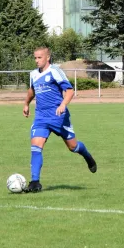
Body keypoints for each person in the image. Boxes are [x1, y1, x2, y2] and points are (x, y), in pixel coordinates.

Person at [23, 46, 97, 193]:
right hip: (41, 117)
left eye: (40, 57)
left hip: (58, 116)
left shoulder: (55, 72)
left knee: (73, 147)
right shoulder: (33, 74)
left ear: (47, 58)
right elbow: (32, 90)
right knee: (35, 147)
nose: (37, 60)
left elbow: (69, 90)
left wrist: (63, 104)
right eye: (35, 58)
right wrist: (26, 104)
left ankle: (87, 156)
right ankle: (35, 182)